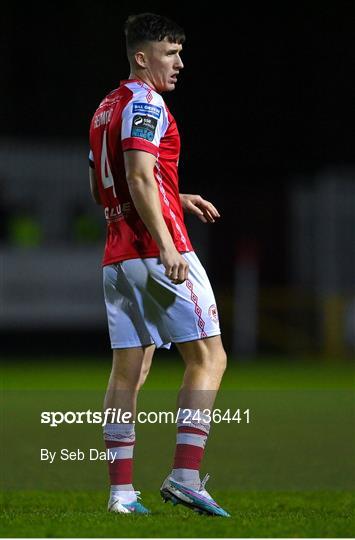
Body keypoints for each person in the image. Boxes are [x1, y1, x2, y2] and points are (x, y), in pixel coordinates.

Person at [89, 12, 229, 517]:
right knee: (209, 358)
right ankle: (186, 476)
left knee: (129, 370)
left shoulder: (105, 108)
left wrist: (175, 193)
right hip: (156, 251)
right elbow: (140, 175)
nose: (180, 63)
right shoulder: (146, 102)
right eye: (171, 53)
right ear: (142, 57)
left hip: (117, 255)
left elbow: (104, 184)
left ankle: (121, 495)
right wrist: (168, 240)